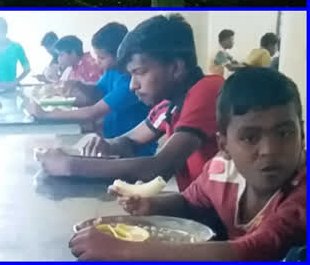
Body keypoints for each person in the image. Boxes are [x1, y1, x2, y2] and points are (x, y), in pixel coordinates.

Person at [70, 67, 306, 261]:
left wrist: (123, 250)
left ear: (303, 134)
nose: (269, 151)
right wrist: (151, 205)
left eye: (284, 133)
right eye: (250, 138)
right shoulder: (221, 168)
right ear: (224, 146)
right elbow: (190, 200)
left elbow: (253, 250)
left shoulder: (302, 191)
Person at [37, 14, 224, 191]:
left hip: (225, 222)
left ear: (175, 68)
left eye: (140, 72)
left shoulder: (208, 90)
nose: (133, 85)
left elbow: (160, 166)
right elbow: (129, 141)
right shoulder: (168, 105)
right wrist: (105, 145)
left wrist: (71, 165)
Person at [26, 23, 156, 157]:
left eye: (102, 58)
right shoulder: (111, 72)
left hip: (135, 149)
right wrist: (78, 85)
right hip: (113, 142)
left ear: (119, 55)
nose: (97, 62)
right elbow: (96, 93)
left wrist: (46, 115)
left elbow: (93, 112)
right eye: (97, 57)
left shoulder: (129, 82)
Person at [0, 17, 31, 85]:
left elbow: (27, 68)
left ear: (6, 30)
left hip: (11, 91)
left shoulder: (17, 47)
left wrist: (16, 81)